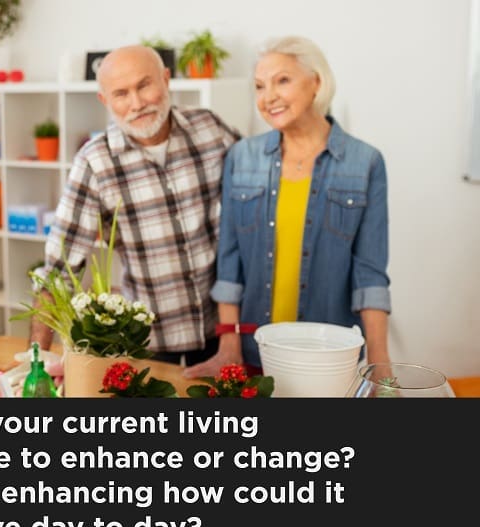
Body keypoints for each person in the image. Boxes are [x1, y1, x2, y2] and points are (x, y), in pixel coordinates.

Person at [185, 36, 390, 378]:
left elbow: (369, 275)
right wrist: (229, 346)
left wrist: (380, 364)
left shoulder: (364, 162)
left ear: (317, 82)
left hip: (328, 358)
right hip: (254, 351)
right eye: (260, 86)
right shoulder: (243, 158)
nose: (269, 97)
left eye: (283, 80)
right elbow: (230, 261)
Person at [30, 45, 240, 367]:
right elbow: (58, 272)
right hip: (149, 345)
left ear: (166, 80)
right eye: (121, 94)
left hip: (225, 336)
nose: (137, 104)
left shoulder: (210, 129)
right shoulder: (95, 162)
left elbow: (256, 193)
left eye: (144, 85)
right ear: (105, 101)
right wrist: (34, 362)